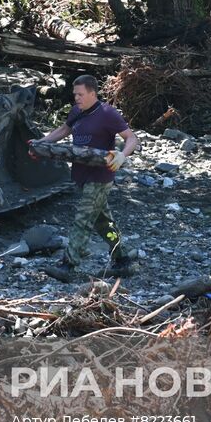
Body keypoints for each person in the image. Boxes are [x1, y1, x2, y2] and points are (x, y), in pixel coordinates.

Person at [33, 74, 139, 282]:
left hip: (100, 177)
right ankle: (123, 259)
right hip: (81, 175)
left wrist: (121, 155)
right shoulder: (76, 112)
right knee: (104, 224)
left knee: (82, 220)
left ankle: (68, 265)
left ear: (93, 93)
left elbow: (131, 138)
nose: (77, 98)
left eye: (81, 94)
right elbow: (64, 130)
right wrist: (41, 142)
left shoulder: (108, 113)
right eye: (75, 94)